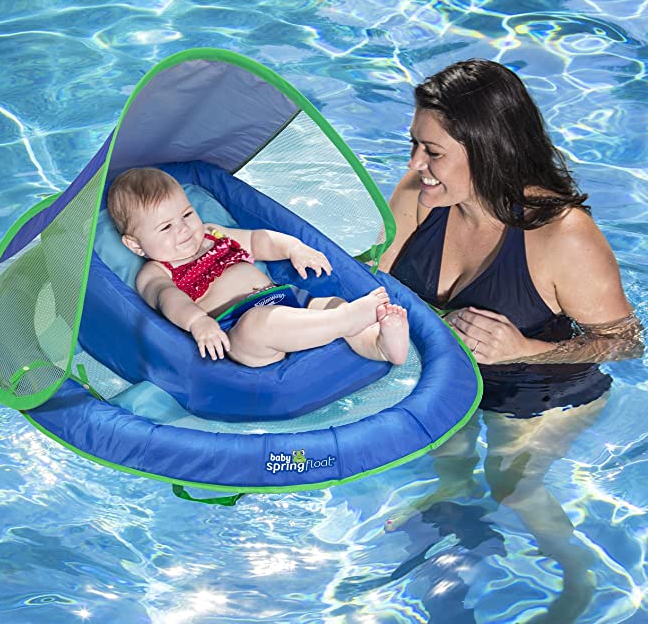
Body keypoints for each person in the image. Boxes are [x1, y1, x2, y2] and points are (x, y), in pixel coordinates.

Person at [379, 59, 643, 622]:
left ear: (485, 147)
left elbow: (625, 340)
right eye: (415, 145)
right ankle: (451, 496)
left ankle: (578, 578)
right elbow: (372, 283)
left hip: (543, 388)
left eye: (432, 152)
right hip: (453, 376)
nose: (414, 165)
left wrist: (528, 350)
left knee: (512, 484)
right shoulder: (419, 194)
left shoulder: (560, 234)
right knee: (443, 449)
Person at [106, 166, 409, 368]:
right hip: (236, 328)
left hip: (285, 298)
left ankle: (381, 346)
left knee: (328, 303)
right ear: (135, 245)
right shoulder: (157, 271)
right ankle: (345, 321)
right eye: (166, 227)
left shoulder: (212, 233)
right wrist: (198, 322)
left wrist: (293, 248)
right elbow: (168, 299)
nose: (183, 230)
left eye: (186, 214)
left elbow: (258, 240)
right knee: (259, 325)